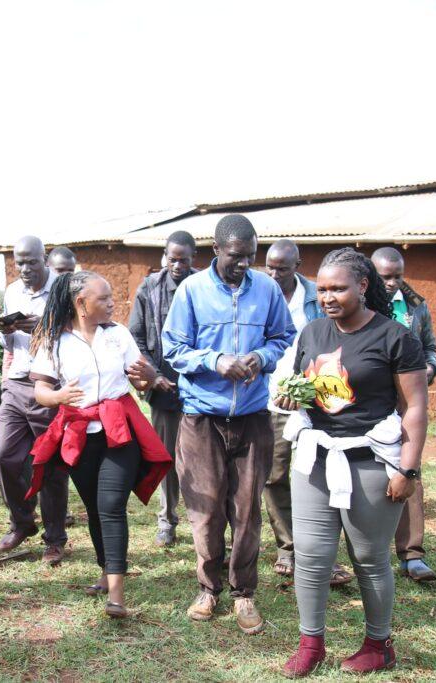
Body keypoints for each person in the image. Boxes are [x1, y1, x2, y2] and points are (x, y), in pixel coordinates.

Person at [274, 247, 427, 677]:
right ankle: (311, 644)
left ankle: (379, 645)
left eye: (338, 289)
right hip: (316, 459)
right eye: (322, 289)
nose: (327, 297)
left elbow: (414, 407)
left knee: (369, 557)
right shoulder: (313, 333)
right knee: (311, 555)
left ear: (362, 286)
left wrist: (408, 470)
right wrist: (291, 397)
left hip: (370, 461)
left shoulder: (395, 337)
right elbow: (305, 387)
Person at [162, 214, 295, 634]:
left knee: (246, 511)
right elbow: (173, 348)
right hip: (202, 416)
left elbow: (283, 336)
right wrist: (215, 361)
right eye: (236, 256)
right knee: (205, 509)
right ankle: (208, 588)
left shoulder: (267, 289)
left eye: (250, 256)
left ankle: (244, 593)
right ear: (216, 250)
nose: (244, 264)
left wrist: (261, 357)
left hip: (253, 417)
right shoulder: (191, 290)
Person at [27, 271, 171, 618]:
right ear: (81, 303)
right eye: (103, 298)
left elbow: (139, 380)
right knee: (94, 507)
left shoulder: (118, 335)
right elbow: (41, 390)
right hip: (79, 435)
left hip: (119, 431)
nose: (111, 304)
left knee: (111, 506)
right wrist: (58, 396)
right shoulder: (54, 340)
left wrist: (148, 379)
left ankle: (117, 596)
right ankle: (106, 572)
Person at [262, 240, 354, 586]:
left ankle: (321, 553)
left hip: (315, 401)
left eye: (282, 268)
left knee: (320, 477)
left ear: (297, 266)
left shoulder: (318, 297)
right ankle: (288, 547)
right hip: (271, 400)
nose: (274, 275)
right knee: (274, 475)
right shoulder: (259, 296)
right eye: (270, 267)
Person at [0, 236, 70, 565]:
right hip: (17, 382)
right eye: (19, 262)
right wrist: (6, 329)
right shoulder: (13, 291)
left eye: (31, 261)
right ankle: (22, 522)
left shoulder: (63, 289)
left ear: (45, 258)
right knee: (3, 456)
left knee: (49, 464)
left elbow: (76, 333)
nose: (25, 268)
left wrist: (43, 325)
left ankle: (55, 538)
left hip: (48, 383)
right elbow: (9, 345)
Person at [372, 246, 436, 582]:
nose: (392, 283)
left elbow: (430, 347)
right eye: (385, 277)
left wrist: (429, 368)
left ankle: (412, 553)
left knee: (408, 467)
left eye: (397, 276)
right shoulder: (360, 303)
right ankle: (364, 551)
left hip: (404, 401)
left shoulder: (415, 306)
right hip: (369, 398)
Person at [128, 230, 197, 547]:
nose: (178, 265)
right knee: (166, 457)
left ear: (193, 259)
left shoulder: (204, 285)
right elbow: (136, 337)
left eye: (184, 260)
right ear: (164, 257)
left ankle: (203, 521)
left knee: (200, 459)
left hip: (200, 387)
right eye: (173, 259)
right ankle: (167, 520)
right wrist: (153, 375)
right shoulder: (150, 288)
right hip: (164, 388)